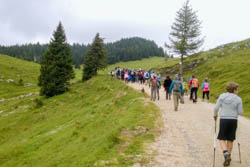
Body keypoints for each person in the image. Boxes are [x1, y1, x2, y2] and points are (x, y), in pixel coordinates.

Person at [214, 82, 243, 166]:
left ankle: (226, 154)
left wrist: (215, 115)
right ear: (234, 90)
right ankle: (228, 156)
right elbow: (240, 112)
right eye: (237, 89)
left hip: (224, 119)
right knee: (230, 139)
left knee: (221, 138)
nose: (238, 91)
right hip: (233, 120)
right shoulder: (238, 99)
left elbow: (216, 108)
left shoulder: (222, 96)